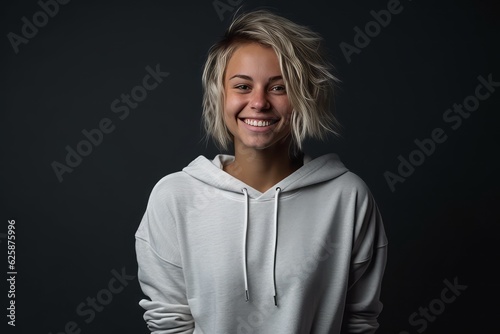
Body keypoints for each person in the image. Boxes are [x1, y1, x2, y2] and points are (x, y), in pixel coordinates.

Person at [135, 9, 388, 334]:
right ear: (220, 94)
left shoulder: (348, 197)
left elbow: (359, 321)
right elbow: (169, 325)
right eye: (242, 86)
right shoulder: (176, 197)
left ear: (303, 97)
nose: (259, 102)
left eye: (279, 88)